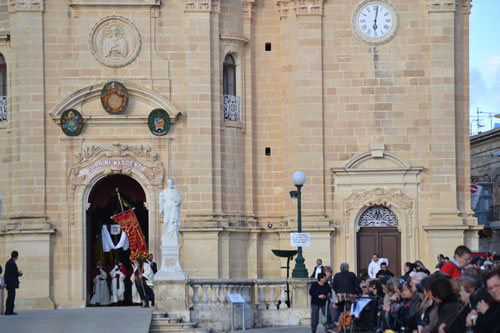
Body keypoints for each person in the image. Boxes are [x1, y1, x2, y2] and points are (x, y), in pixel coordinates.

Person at [466, 268, 500, 333]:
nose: (493, 290)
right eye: (490, 288)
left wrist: (486, 312)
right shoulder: (495, 303)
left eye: (496, 286)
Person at [330, 262, 360, 331]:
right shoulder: (352, 274)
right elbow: (356, 285)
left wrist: (338, 292)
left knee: (340, 311)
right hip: (350, 296)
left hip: (340, 296)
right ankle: (348, 325)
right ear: (348, 268)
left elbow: (334, 286)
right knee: (349, 310)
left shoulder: (337, 275)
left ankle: (338, 326)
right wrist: (357, 293)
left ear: (341, 268)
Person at [159, 178, 182, 247]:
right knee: (166, 221)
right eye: (169, 182)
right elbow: (161, 200)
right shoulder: (164, 191)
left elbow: (179, 200)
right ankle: (166, 235)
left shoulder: (176, 191)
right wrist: (161, 208)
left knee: (173, 221)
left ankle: (172, 235)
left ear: (173, 183)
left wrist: (176, 202)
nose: (170, 184)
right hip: (167, 207)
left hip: (174, 208)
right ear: (167, 183)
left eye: (171, 182)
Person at [4, 250, 23, 315]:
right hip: (11, 283)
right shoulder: (11, 263)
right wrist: (19, 273)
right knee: (11, 297)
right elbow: (13, 273)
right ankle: (9, 311)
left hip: (9, 283)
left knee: (10, 297)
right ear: (16, 256)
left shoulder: (9, 262)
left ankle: (9, 310)